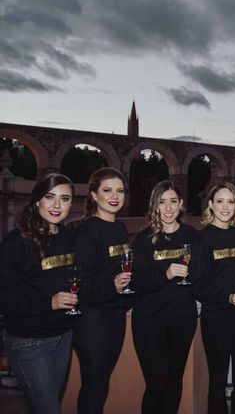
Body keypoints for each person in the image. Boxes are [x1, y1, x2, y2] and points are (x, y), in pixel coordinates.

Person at [0, 173, 77, 414]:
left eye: (64, 199)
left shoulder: (66, 237)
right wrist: (49, 302)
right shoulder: (17, 242)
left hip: (63, 335)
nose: (57, 205)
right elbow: (4, 297)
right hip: (29, 341)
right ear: (37, 201)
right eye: (50, 197)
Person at [130, 180, 198, 414]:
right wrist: (166, 273)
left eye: (173, 202)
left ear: (181, 205)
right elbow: (136, 283)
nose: (168, 208)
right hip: (149, 320)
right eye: (162, 202)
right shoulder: (144, 239)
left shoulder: (191, 235)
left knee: (174, 379)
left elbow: (199, 274)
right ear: (154, 206)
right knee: (157, 382)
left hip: (182, 318)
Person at [73, 167, 133, 414]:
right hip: (92, 317)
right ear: (94, 195)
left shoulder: (119, 228)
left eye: (119, 191)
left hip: (114, 313)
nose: (114, 196)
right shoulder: (87, 230)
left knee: (102, 381)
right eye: (107, 190)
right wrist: (111, 286)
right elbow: (80, 282)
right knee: (94, 384)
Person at [194, 183, 235, 414]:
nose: (225, 207)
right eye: (220, 201)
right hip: (216, 318)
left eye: (230, 201)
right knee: (217, 378)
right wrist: (227, 297)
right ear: (210, 205)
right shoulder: (203, 240)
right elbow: (197, 286)